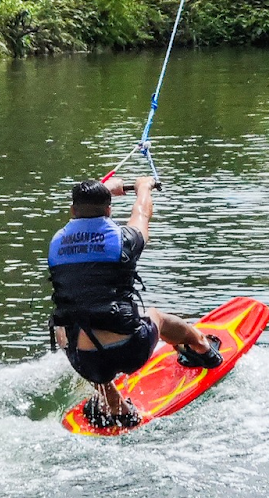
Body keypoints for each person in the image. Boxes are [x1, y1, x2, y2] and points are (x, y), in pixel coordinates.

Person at [48, 175, 222, 428]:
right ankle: (203, 350)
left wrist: (104, 188)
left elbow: (80, 227)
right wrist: (143, 186)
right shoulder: (124, 240)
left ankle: (117, 406)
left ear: (72, 209)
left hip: (87, 362)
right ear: (109, 210)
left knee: (65, 326)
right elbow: (142, 213)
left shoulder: (56, 243)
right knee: (156, 316)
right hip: (132, 350)